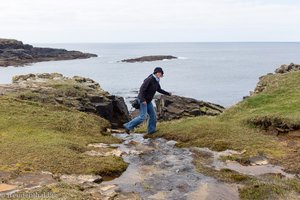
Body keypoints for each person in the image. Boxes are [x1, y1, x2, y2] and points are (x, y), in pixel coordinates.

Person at [123, 67, 171, 134]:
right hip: (143, 100)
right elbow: (142, 89)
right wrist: (143, 100)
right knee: (143, 117)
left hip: (148, 101)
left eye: (161, 74)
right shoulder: (150, 79)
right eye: (160, 73)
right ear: (157, 73)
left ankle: (151, 131)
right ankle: (127, 126)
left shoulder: (156, 80)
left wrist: (168, 93)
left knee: (153, 115)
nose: (161, 75)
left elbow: (159, 89)